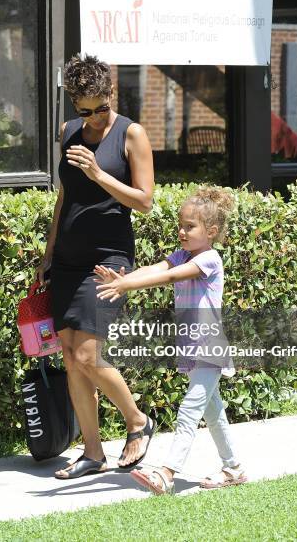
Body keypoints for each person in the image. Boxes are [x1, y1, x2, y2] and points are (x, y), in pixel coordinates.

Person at [36, 54, 156, 479]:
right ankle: (92, 452)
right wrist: (49, 254)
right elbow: (64, 199)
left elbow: (144, 201)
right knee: (70, 356)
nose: (92, 118)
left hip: (109, 260)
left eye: (99, 108)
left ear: (111, 95)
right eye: (83, 110)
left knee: (88, 353)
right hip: (67, 261)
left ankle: (137, 420)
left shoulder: (131, 134)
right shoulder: (69, 132)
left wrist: (99, 174)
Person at [95, 186, 247, 494]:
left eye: (189, 226)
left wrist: (125, 285)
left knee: (190, 412)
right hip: (191, 347)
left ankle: (167, 472)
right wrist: (125, 279)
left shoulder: (210, 259)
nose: (181, 231)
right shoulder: (181, 255)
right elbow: (158, 268)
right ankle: (233, 468)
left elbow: (171, 277)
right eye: (180, 225)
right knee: (213, 414)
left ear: (212, 231)